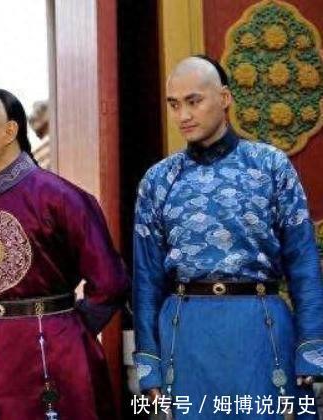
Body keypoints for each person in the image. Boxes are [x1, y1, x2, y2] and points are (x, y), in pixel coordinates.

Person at [133, 56, 323, 419]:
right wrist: (148, 360)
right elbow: (146, 279)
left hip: (261, 329)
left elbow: (303, 261)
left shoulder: (270, 166)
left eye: (194, 101)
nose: (183, 115)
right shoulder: (157, 180)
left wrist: (311, 346)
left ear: (224, 98)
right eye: (174, 104)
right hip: (185, 333)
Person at [0, 88, 128, 419]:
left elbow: (111, 282)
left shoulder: (61, 198)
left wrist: (70, 330)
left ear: (9, 131)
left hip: (53, 355)